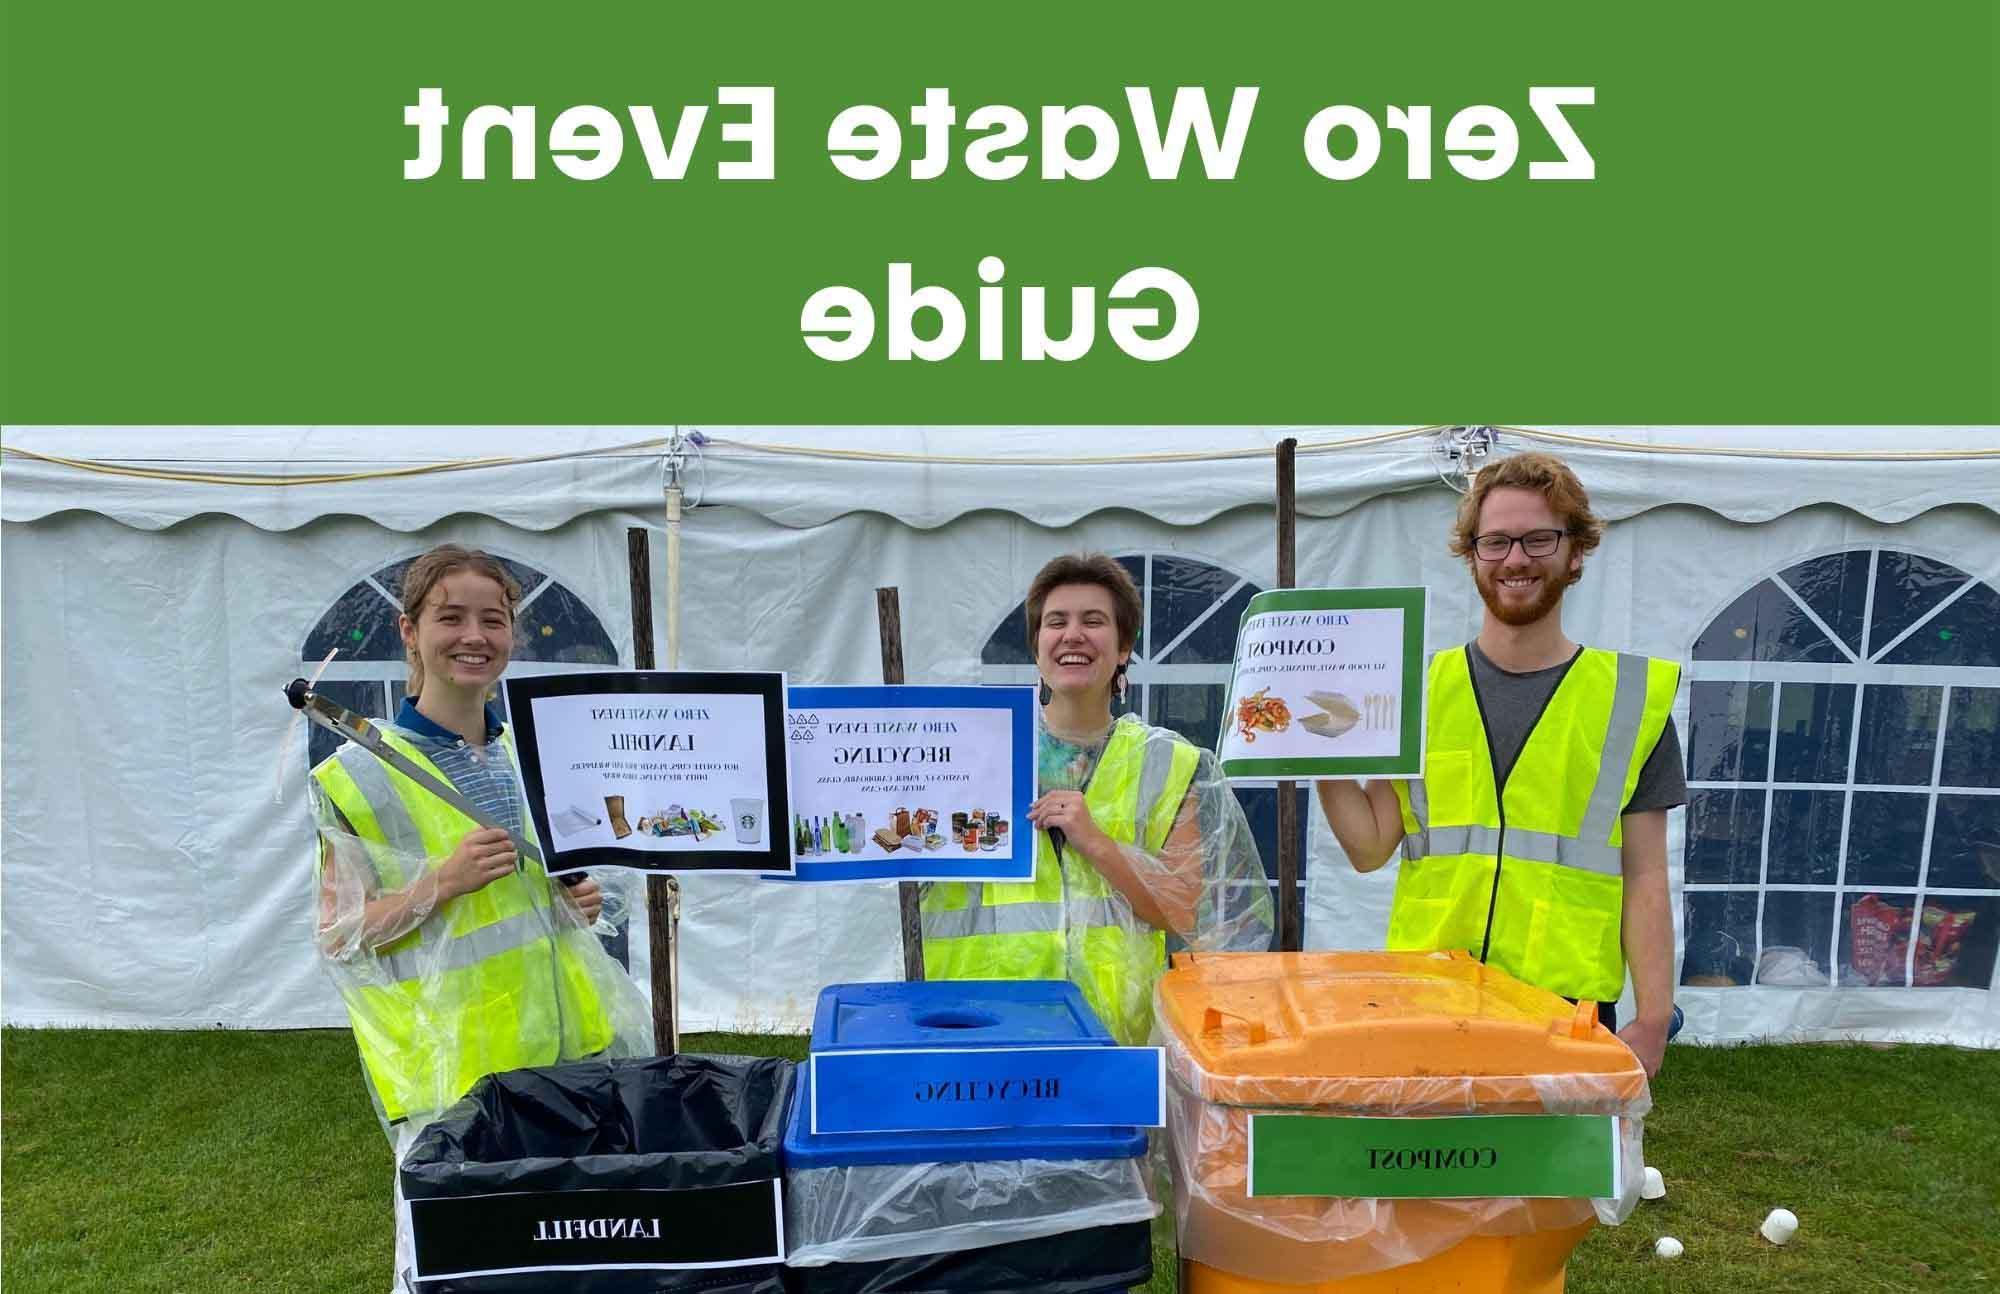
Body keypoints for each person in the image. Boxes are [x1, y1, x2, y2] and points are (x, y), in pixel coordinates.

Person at [1316, 453, 1686, 1076]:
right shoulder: (1417, 692)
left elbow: (1646, 876)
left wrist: (1654, 1017)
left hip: (1565, 1007)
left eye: (1539, 539)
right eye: (1496, 542)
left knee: (1549, 1179)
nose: (1516, 559)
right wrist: (1317, 753)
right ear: (1473, 556)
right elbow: (1369, 846)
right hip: (1430, 998)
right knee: (1434, 1174)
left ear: (1575, 553)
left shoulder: (1629, 699)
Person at [308, 544, 648, 1137]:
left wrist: (576, 904)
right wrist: (442, 883)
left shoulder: (534, 756)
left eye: (493, 620)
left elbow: (534, 904)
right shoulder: (361, 776)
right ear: (409, 631)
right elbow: (340, 937)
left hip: (573, 1064)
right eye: (451, 617)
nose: (475, 635)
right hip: (453, 1084)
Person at [921, 553, 1274, 1044]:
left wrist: (1097, 843)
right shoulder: (967, 748)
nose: (1073, 635)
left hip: (1109, 1034)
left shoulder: (1170, 764)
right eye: (1055, 622)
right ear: (1037, 646)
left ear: (1124, 647)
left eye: (1094, 621)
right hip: (975, 1026)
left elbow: (1184, 911)